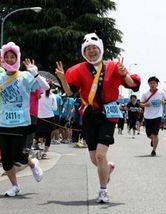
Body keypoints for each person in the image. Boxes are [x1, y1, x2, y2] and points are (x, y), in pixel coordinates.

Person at [55, 32, 141, 203]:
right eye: (88, 49)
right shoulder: (77, 69)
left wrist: (124, 74)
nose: (92, 51)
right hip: (88, 114)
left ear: (100, 48)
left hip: (108, 113)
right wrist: (63, 79)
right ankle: (107, 169)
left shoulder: (114, 66)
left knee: (101, 155)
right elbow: (70, 92)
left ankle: (103, 190)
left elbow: (133, 86)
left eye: (94, 48)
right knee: (95, 158)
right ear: (83, 52)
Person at [0, 42, 49, 197]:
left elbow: (45, 87)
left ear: (17, 58)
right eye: (7, 57)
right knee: (6, 159)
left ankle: (32, 163)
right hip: (2, 122)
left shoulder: (24, 76)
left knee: (17, 155)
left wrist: (34, 73)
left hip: (20, 122)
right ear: (2, 59)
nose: (10, 60)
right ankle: (15, 186)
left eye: (13, 57)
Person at [140, 76, 166, 157]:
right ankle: (152, 139)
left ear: (157, 84)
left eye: (154, 83)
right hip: (147, 116)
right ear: (148, 84)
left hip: (158, 115)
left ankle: (154, 150)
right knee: (149, 135)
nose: (152, 84)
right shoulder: (145, 94)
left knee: (155, 134)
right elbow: (141, 104)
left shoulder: (161, 93)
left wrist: (164, 102)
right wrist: (146, 104)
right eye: (151, 83)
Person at [35, 82, 57, 159]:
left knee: (37, 134)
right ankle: (45, 152)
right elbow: (55, 108)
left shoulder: (39, 95)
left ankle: (33, 147)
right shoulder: (52, 96)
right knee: (48, 136)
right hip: (50, 117)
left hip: (40, 117)